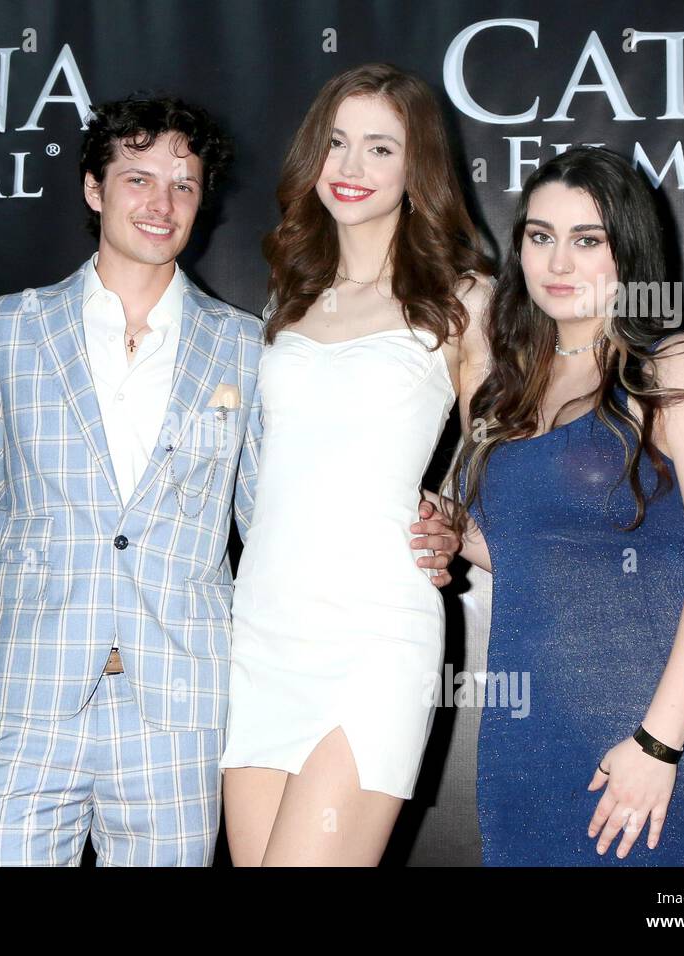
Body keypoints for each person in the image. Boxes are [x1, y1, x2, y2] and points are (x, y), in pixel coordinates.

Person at [0, 93, 464, 866]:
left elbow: (275, 499)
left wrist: (448, 515)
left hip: (183, 703)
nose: (161, 203)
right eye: (137, 179)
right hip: (33, 700)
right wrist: (35, 579)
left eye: (184, 184)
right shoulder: (4, 330)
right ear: (94, 190)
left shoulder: (244, 344)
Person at [447, 146, 684, 866]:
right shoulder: (511, 389)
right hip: (527, 747)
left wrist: (658, 743)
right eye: (540, 236)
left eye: (588, 240)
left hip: (664, 743)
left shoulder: (680, 368)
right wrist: (458, 534)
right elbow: (532, 556)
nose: (559, 262)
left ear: (629, 250)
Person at [218, 64, 493, 866]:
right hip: (262, 628)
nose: (350, 167)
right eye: (337, 143)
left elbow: (502, 449)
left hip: (375, 633)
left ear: (418, 171)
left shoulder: (462, 298)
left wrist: (452, 513)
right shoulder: (290, 296)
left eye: (380, 148)